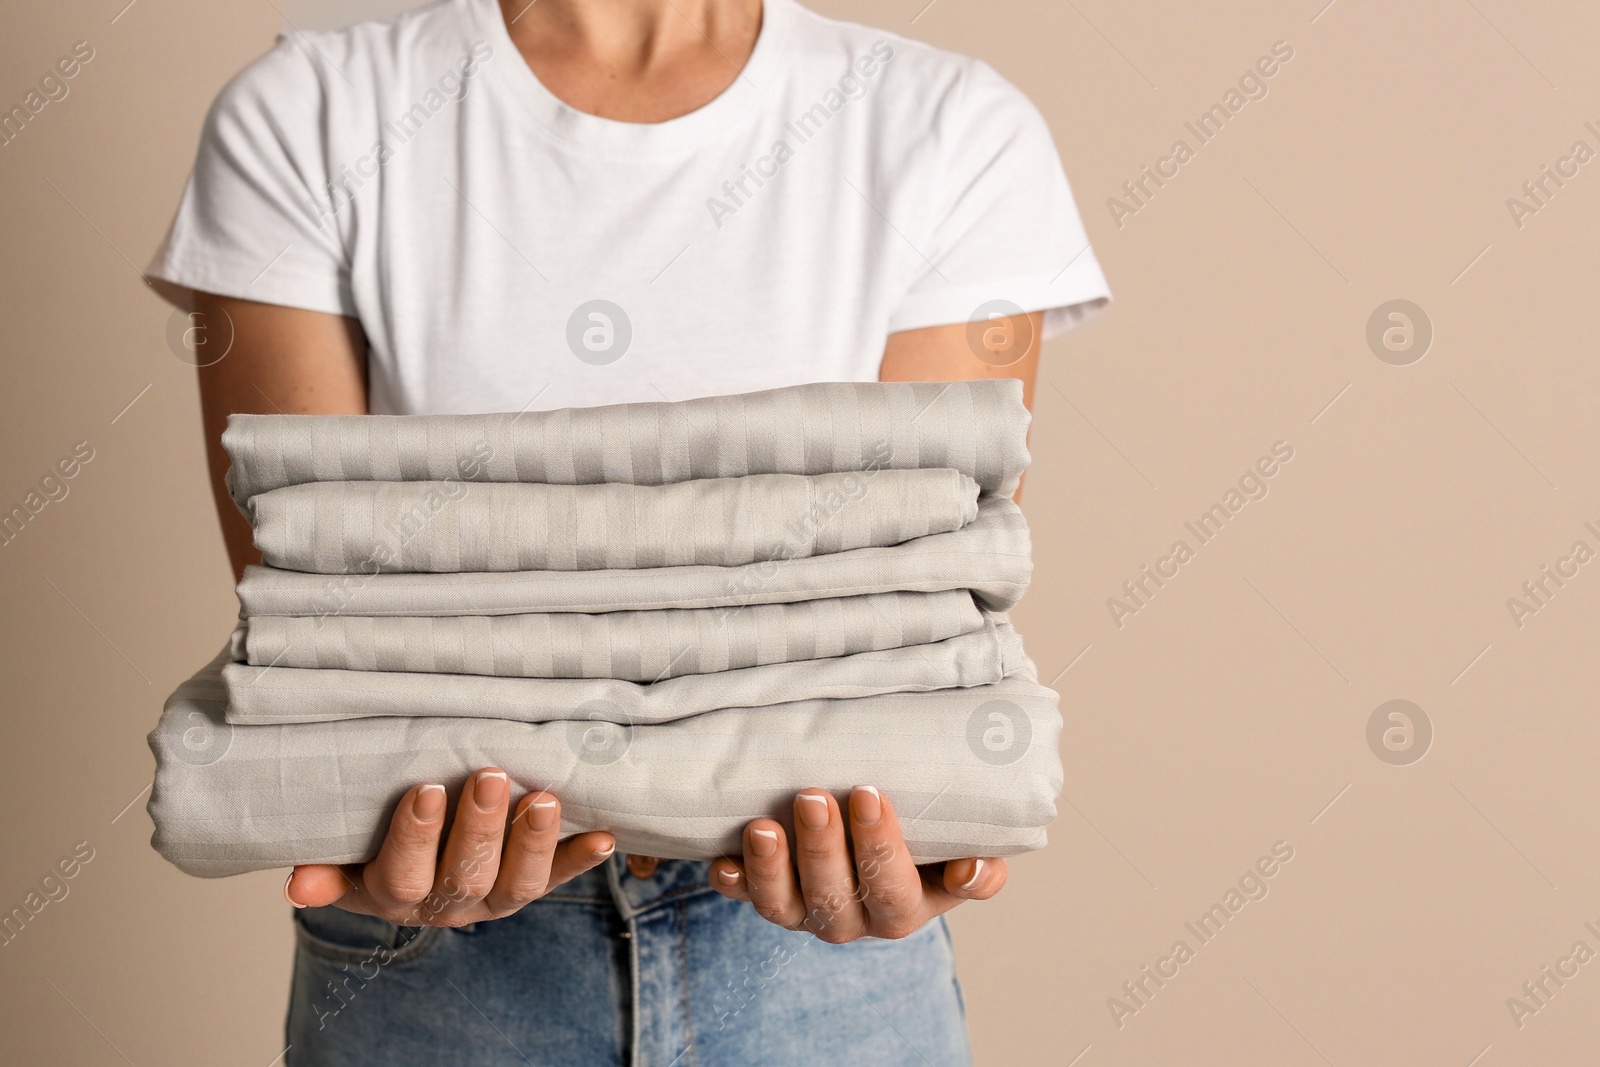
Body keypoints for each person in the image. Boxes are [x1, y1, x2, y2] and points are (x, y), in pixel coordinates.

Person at [147, 0, 1109, 1061]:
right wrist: (355, 824)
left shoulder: (952, 127)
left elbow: (923, 605)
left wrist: (921, 826)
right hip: (427, 971)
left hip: (823, 977)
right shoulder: (310, 112)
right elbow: (311, 601)